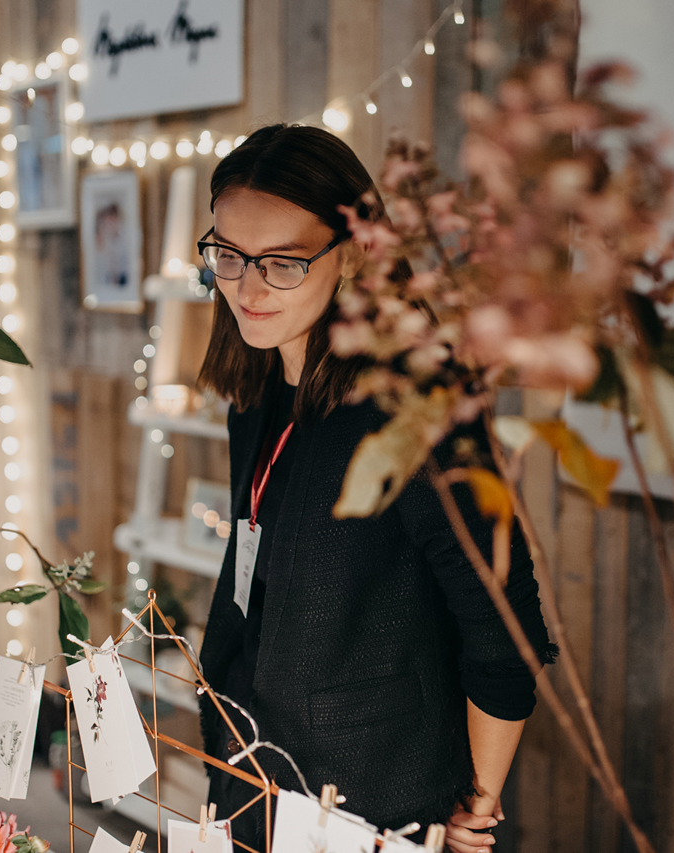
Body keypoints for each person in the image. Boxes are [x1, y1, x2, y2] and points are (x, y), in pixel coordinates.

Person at [195, 124, 554, 853]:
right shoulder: (258, 388)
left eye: (284, 262)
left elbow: (505, 627)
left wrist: (473, 808)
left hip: (372, 801)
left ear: (356, 252)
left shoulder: (412, 409)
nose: (248, 286)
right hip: (251, 768)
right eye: (228, 255)